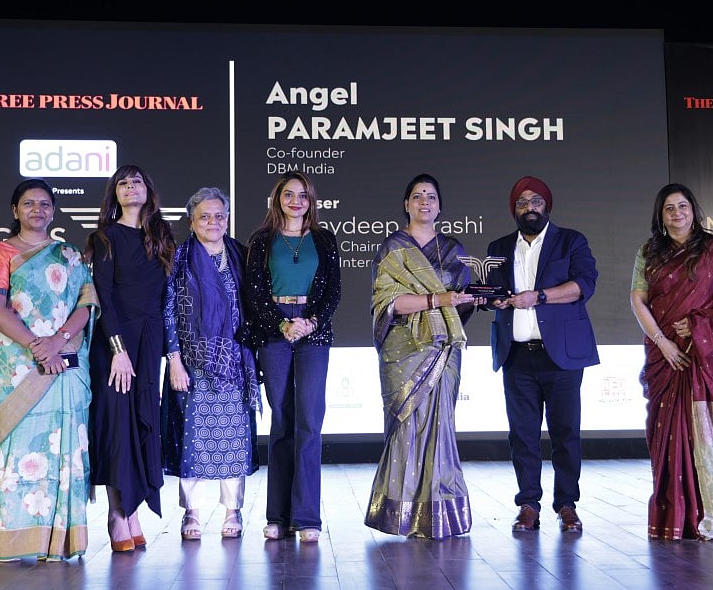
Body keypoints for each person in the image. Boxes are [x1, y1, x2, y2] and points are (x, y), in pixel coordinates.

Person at [0, 179, 99, 563]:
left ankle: (58, 541)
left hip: (60, 365)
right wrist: (36, 346)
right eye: (28, 204)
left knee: (61, 452)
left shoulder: (69, 255)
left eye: (45, 204)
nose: (37, 210)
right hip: (14, 369)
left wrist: (56, 342)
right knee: (12, 454)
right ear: (15, 210)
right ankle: (7, 541)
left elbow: (87, 304)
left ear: (53, 211)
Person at [364, 174, 485, 539]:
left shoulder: (452, 249)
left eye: (431, 196)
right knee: (407, 428)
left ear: (439, 205)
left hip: (443, 350)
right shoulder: (392, 249)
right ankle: (399, 513)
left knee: (441, 428)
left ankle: (439, 511)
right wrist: (438, 300)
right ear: (406, 204)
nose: (424, 202)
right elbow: (388, 304)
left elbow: (462, 298)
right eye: (417, 196)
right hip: (404, 351)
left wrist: (471, 299)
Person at [629, 184, 713, 541]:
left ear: (693, 210)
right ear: (660, 216)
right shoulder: (649, 251)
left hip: (704, 360)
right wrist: (662, 343)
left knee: (706, 437)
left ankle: (708, 513)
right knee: (663, 433)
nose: (676, 213)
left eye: (682, 206)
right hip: (665, 357)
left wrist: (698, 326)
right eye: (668, 208)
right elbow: (638, 299)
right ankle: (672, 516)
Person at [485, 176, 599, 533]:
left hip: (561, 356)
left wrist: (540, 296)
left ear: (546, 205)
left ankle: (567, 504)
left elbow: (584, 285)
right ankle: (528, 505)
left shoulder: (571, 241)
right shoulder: (499, 245)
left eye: (535, 201)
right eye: (522, 202)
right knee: (522, 435)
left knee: (566, 434)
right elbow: (490, 293)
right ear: (514, 210)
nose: (529, 207)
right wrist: (491, 299)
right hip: (517, 356)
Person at [242, 171, 341, 543]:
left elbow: (334, 291)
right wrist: (282, 326)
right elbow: (253, 294)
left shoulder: (324, 239)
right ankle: (277, 517)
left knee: (309, 424)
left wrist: (311, 322)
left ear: (311, 201)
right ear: (277, 198)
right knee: (282, 420)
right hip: (274, 333)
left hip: (314, 334)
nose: (296, 201)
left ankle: (307, 519)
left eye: (303, 195)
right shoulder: (262, 240)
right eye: (288, 194)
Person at [162, 187, 262, 541]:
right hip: (191, 363)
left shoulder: (240, 254)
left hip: (235, 364)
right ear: (191, 221)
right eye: (204, 216)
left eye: (220, 215)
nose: (213, 222)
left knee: (234, 438)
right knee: (193, 439)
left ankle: (233, 510)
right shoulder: (178, 258)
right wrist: (174, 359)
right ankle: (191, 512)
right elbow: (168, 309)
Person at [85, 164, 176, 552]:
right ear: (114, 194)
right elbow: (103, 298)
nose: (130, 186)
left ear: (148, 190)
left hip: (150, 338)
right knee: (117, 427)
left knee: (143, 424)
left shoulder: (162, 236)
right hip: (114, 344)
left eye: (137, 180)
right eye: (122, 182)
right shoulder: (105, 237)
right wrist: (118, 351)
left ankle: (134, 510)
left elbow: (168, 297)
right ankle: (116, 514)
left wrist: (169, 352)